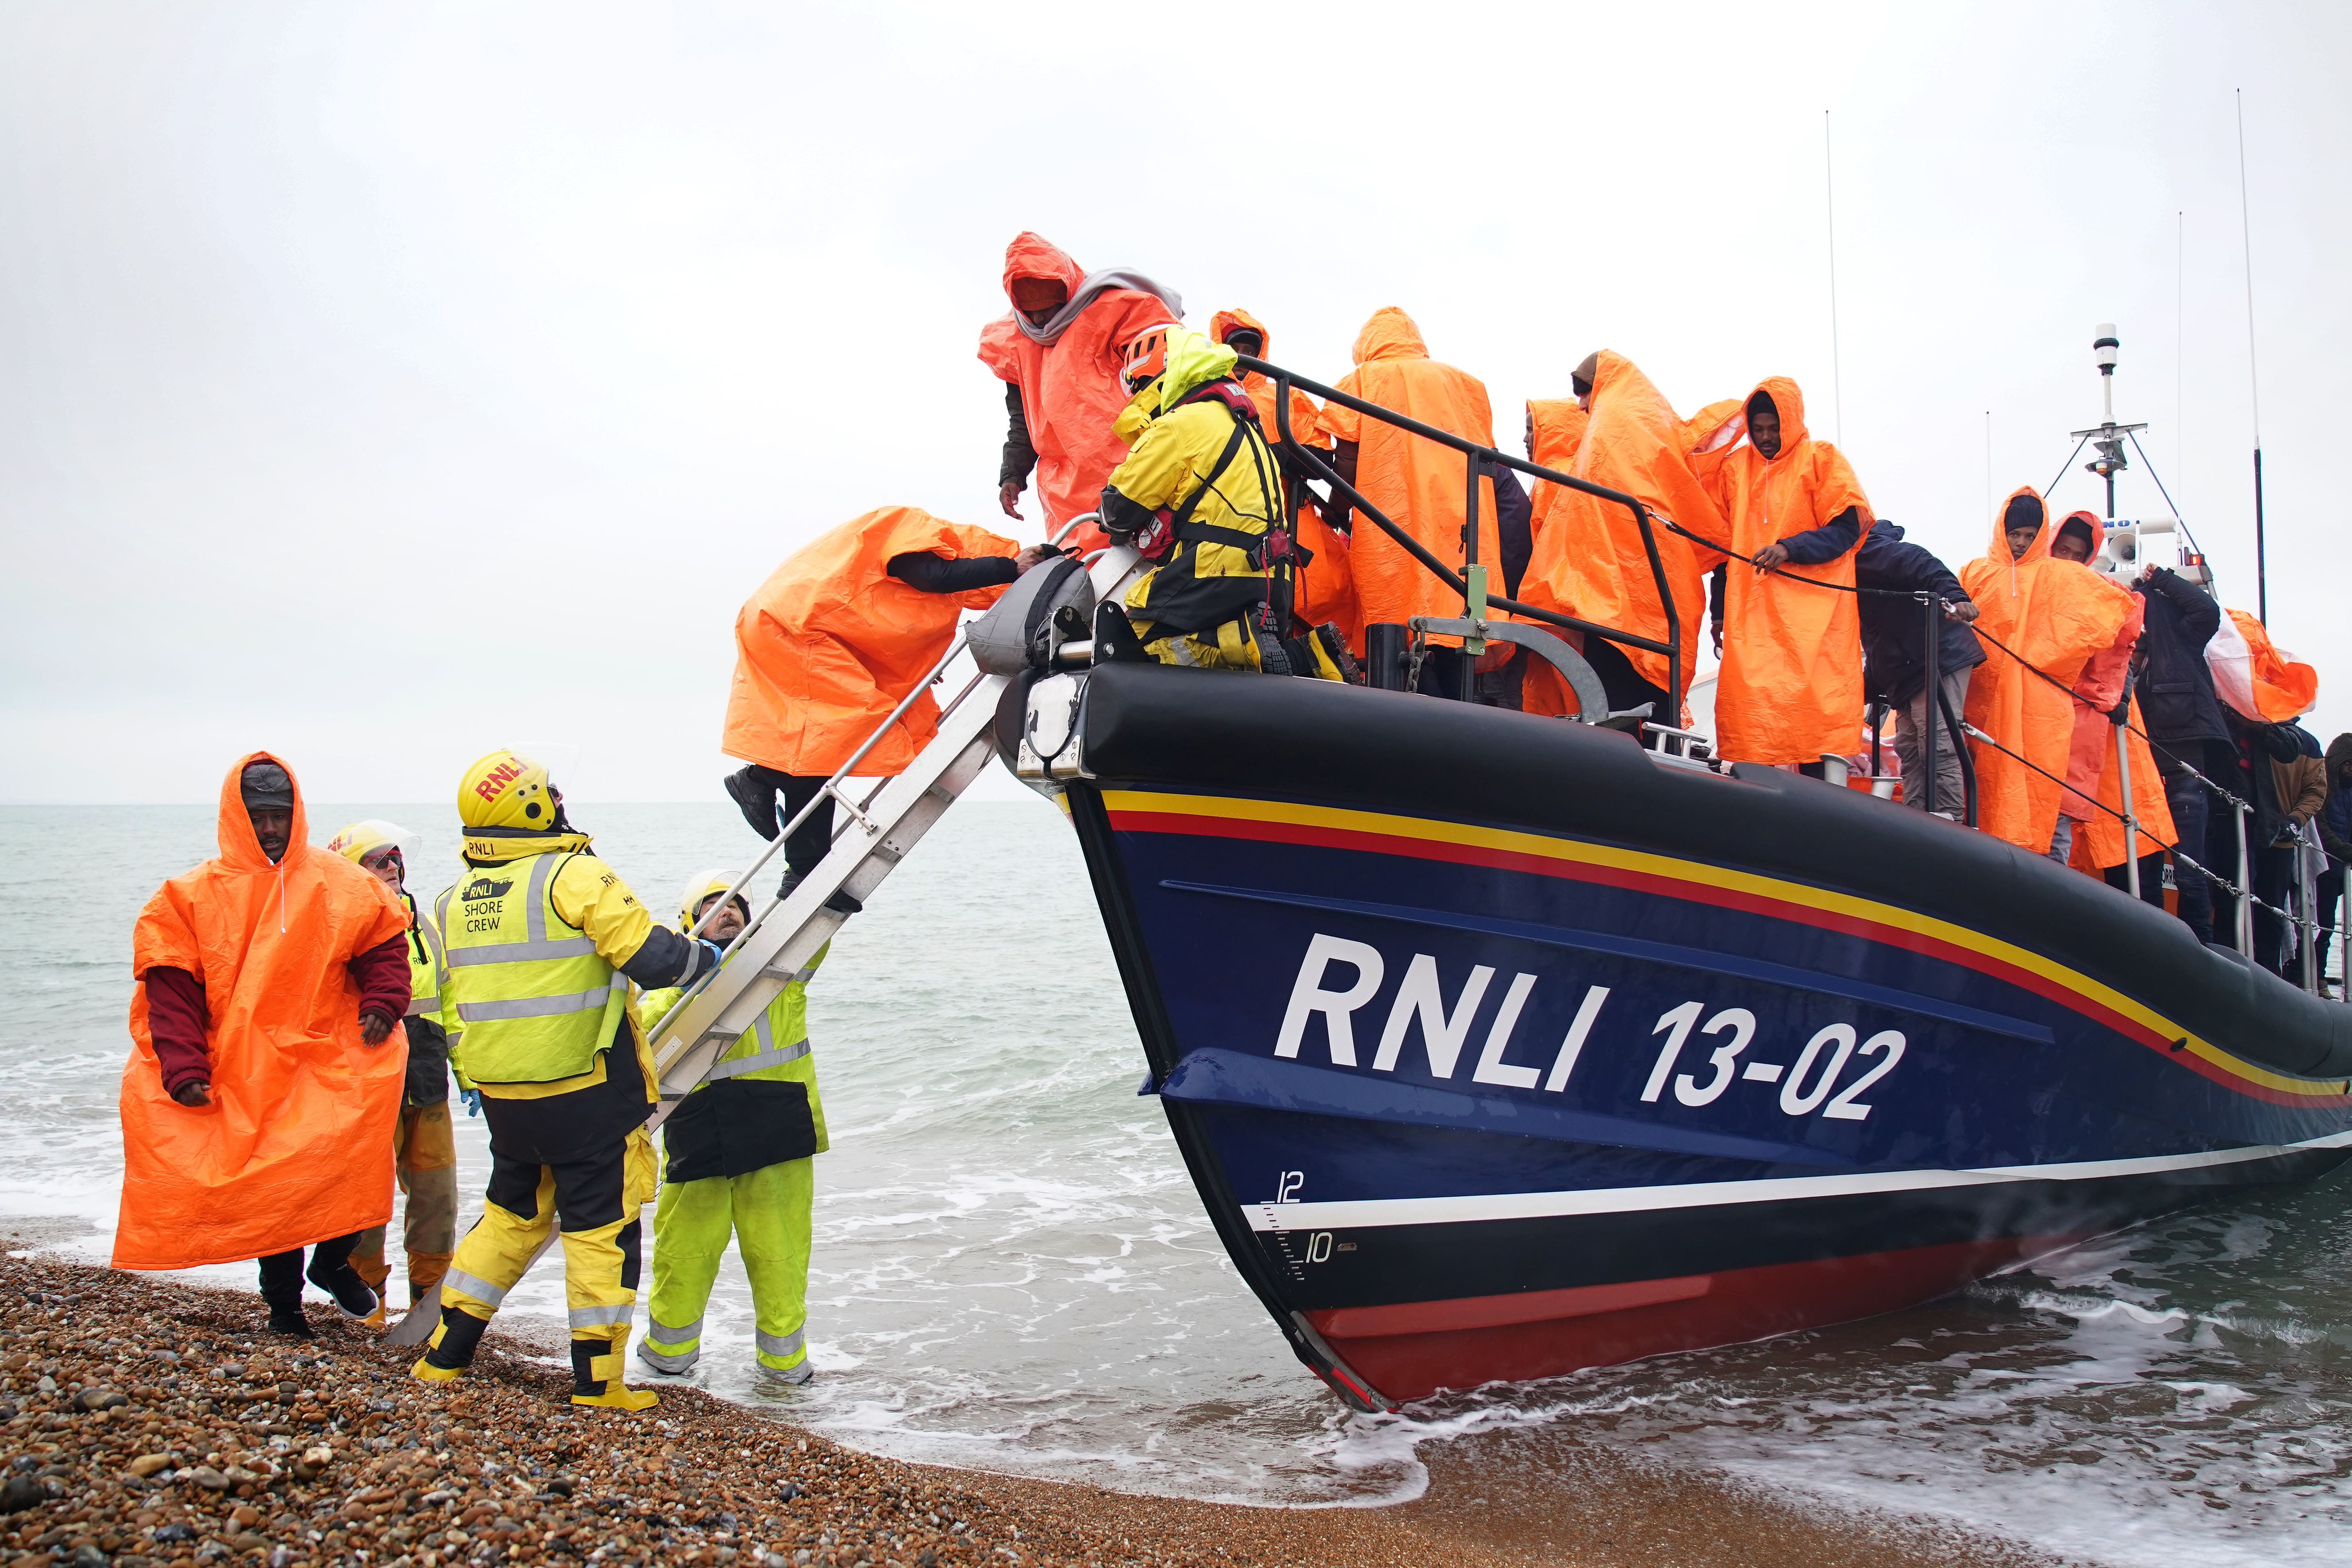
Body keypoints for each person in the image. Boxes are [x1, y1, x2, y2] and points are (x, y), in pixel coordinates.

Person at [411, 750, 730, 1411]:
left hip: (506, 1100)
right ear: (531, 806)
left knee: (508, 1218)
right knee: (601, 1230)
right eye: (548, 793)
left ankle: (445, 1355)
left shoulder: (452, 900)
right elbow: (652, 958)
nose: (558, 801)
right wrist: (705, 954)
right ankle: (598, 1384)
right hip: (586, 1094)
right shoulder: (574, 875)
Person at [115, 755, 411, 1337]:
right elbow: (170, 990)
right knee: (273, 1191)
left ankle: (332, 1264)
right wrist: (182, 1067)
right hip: (243, 1067)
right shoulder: (188, 896)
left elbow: (384, 947)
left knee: (351, 1161)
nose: (271, 828)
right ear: (235, 817)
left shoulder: (342, 882)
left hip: (327, 1057)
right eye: (259, 817)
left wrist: (382, 1004)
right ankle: (284, 1308)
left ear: (296, 814)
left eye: (280, 815)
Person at [721, 508, 1040, 894]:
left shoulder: (895, 541)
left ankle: (802, 870)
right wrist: (1010, 566)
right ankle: (767, 794)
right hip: (796, 628)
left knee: (818, 753)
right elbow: (935, 576)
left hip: (795, 625)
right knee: (828, 744)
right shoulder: (914, 528)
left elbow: (868, 609)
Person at [636, 872, 829, 1383]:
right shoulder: (669, 986)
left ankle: (785, 1366)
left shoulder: (782, 967)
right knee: (683, 1250)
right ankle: (667, 1356)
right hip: (702, 1131)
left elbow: (820, 925)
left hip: (775, 1127)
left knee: (781, 1253)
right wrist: (694, 977)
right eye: (713, 905)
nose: (728, 911)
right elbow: (646, 1030)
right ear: (687, 923)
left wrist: (806, 877)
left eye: (737, 904)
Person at [1099, 326, 1341, 678]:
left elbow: (1117, 510)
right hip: (1273, 575)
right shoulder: (1244, 425)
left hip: (1217, 570)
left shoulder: (1178, 426)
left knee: (1135, 635)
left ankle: (1242, 643)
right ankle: (1310, 656)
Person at [1522, 353, 1724, 727]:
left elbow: (1593, 513)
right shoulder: (1649, 417)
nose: (1580, 404)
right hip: (1650, 583)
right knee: (1644, 690)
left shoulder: (1609, 423)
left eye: (1584, 393)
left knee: (1618, 693)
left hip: (1614, 591)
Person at [1315, 308, 1502, 691]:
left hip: (1392, 528)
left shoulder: (1363, 379)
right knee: (1457, 630)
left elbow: (1347, 458)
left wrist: (1335, 509)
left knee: (1396, 633)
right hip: (1463, 531)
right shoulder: (1467, 385)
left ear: (1367, 345)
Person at [326, 820, 460, 1325]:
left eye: (395, 858)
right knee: (364, 1200)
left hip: (426, 1079)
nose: (390, 868)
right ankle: (364, 1308)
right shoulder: (338, 929)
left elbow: (450, 1004)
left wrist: (469, 1076)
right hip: (365, 1083)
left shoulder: (424, 926)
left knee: (436, 1198)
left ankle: (430, 1308)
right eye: (377, 860)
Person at [1698, 379, 1871, 769]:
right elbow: (1725, 548)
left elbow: (1845, 530)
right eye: (1757, 429)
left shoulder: (1821, 459)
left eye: (1773, 428)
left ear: (1790, 422)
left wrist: (1789, 548)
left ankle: (1821, 815)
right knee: (1752, 724)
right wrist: (1719, 615)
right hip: (1751, 622)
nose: (1765, 438)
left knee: (1813, 726)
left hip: (1813, 622)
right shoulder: (1733, 471)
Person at [1960, 489, 2137, 856]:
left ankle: (2046, 894)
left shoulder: (2062, 576)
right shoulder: (1974, 571)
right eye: (2015, 534)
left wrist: (2108, 693)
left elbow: (2124, 618)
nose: (2022, 543)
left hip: (2040, 715)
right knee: (1984, 796)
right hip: (1978, 709)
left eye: (2029, 535)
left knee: (2043, 800)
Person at [979, 232, 1183, 546]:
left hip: (1131, 466)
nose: (1042, 318)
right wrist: (1012, 475)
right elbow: (1022, 419)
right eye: (1031, 311)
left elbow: (1162, 377)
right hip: (1064, 489)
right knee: (1085, 575)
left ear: (1067, 288)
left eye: (1048, 307)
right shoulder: (1013, 342)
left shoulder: (1117, 309)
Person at [1210, 309, 1360, 652]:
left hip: (1292, 518)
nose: (1243, 357)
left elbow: (1321, 457)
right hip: (1230, 522)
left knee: (1326, 594)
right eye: (1236, 349)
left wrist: (1270, 454)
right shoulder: (1207, 398)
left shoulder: (1286, 396)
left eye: (1251, 350)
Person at [2044, 517, 2177, 898]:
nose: (2068, 559)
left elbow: (2121, 651)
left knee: (2127, 841)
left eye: (2076, 553)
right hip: (2065, 736)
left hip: (2106, 739)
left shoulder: (2106, 597)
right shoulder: (2034, 596)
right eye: (2062, 550)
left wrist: (2115, 697)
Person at [1852, 519, 1983, 816]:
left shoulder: (1874, 552)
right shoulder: (1855, 566)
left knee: (1936, 743)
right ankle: (1917, 819)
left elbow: (1925, 565)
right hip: (1908, 667)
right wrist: (1862, 687)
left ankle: (1950, 820)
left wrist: (1957, 598)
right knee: (1909, 748)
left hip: (1937, 657)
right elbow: (1877, 636)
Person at [2129, 559, 2228, 941]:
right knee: (2145, 867)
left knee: (2189, 868)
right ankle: (2152, 946)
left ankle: (2199, 946)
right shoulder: (2119, 659)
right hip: (2140, 776)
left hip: (2182, 770)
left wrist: (2161, 581)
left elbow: (2207, 611)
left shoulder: (2181, 640)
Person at [2212, 708, 2325, 972]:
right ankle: (2228, 967)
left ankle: (2267, 975)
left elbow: (2316, 791)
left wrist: (2295, 820)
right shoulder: (2235, 727)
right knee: (2230, 900)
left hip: (2278, 837)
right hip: (2237, 829)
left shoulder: (2306, 742)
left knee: (2271, 910)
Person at [2316, 733, 2352, 993]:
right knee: (2318, 925)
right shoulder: (2325, 785)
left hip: (2341, 869)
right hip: (2323, 867)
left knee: (2326, 927)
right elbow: (2320, 825)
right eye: (2348, 763)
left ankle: (2319, 976)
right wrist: (2341, 850)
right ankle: (2315, 976)